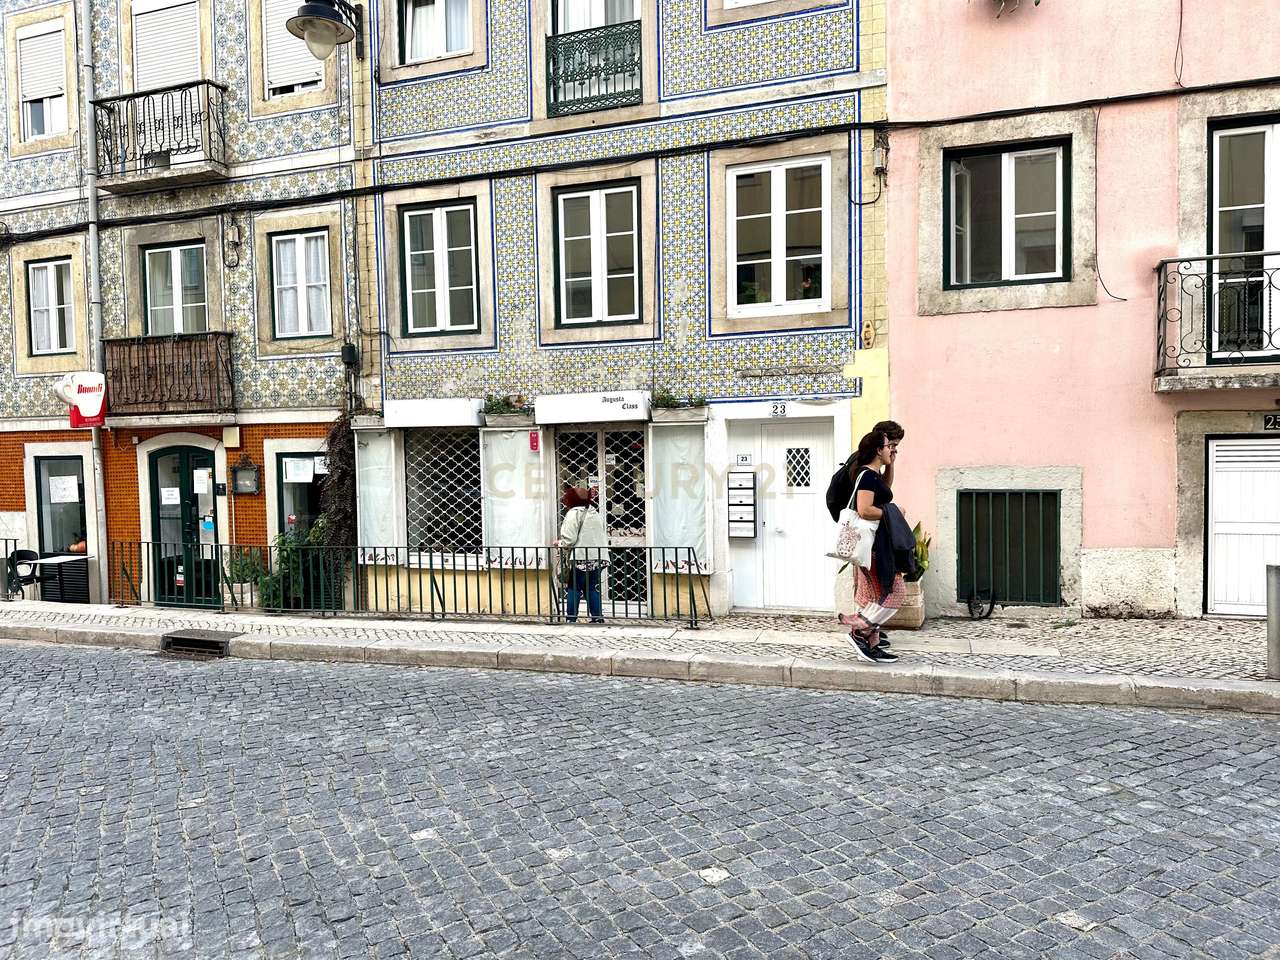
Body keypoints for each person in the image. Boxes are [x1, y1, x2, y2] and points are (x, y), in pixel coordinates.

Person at [839, 429, 906, 663]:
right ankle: (859, 632)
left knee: (875, 596)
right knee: (894, 593)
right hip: (874, 547)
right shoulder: (867, 476)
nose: (892, 449)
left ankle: (872, 643)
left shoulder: (873, 474)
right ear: (878, 450)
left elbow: (884, 491)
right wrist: (894, 513)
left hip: (878, 543)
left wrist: (891, 464)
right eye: (889, 446)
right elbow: (864, 509)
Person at [557, 485, 610, 623]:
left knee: (574, 587)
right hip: (598, 557)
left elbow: (569, 539)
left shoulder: (574, 513)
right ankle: (597, 618)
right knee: (590, 588)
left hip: (581, 557)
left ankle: (571, 618)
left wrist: (560, 543)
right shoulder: (594, 512)